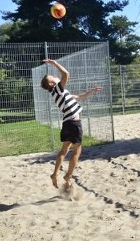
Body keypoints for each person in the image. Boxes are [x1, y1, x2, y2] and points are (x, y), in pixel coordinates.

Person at [40, 59, 102, 188]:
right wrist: (54, 63)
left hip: (67, 123)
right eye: (53, 77)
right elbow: (66, 74)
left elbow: (79, 97)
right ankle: (68, 177)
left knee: (64, 150)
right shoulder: (58, 89)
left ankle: (55, 174)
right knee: (77, 151)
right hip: (73, 123)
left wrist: (92, 91)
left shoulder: (60, 93)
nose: (56, 77)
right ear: (51, 83)